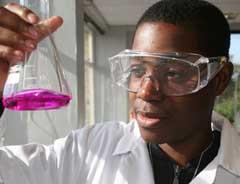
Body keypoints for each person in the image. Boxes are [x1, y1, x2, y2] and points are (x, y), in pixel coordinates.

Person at [0, 0, 239, 183]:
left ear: (219, 79)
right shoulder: (87, 151)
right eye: (137, 70)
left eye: (173, 73)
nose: (146, 92)